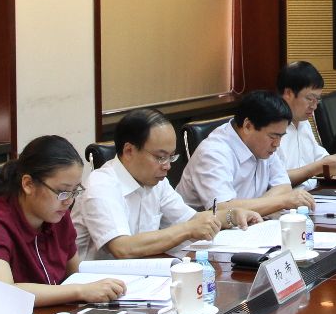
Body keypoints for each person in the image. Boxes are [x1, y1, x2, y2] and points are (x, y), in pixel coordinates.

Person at [0, 135, 127, 306]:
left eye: (75, 191)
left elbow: (75, 274)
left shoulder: (58, 214)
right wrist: (80, 291)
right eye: (62, 192)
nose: (69, 201)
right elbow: (3, 292)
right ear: (28, 184)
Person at [73, 108, 257, 261]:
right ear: (129, 151)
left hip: (140, 275)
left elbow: (191, 219)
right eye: (160, 157)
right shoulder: (101, 185)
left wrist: (232, 216)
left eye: (171, 157)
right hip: (93, 285)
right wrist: (187, 230)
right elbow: (122, 248)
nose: (167, 166)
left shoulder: (155, 181)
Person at [175, 91, 315, 216]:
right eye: (273, 136)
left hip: (247, 228)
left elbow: (283, 186)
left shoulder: (265, 146)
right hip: (203, 235)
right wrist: (280, 202)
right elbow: (222, 209)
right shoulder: (213, 153)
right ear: (248, 126)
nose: (277, 144)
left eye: (281, 136)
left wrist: (258, 208)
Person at [276, 61, 336, 189]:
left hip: (315, 192)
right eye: (310, 99)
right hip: (290, 197)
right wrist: (317, 167)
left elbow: (320, 156)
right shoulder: (271, 128)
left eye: (317, 99)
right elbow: (274, 179)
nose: (314, 106)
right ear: (288, 93)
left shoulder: (304, 122)